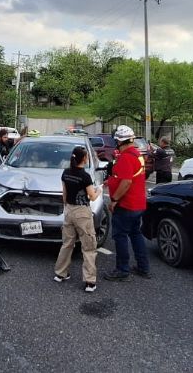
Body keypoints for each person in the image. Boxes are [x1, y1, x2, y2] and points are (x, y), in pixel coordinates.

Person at [103, 125, 151, 281]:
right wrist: (110, 181)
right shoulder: (137, 154)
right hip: (138, 204)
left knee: (120, 236)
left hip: (126, 205)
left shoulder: (126, 157)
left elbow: (126, 182)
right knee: (136, 234)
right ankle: (143, 267)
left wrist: (114, 200)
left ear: (119, 141)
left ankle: (122, 270)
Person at [53, 146, 100, 292]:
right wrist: (100, 190)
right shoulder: (85, 176)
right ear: (84, 158)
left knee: (67, 243)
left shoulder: (66, 173)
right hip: (82, 213)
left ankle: (61, 274)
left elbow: (64, 194)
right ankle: (89, 282)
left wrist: (67, 207)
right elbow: (92, 196)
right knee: (88, 246)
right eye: (86, 156)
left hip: (69, 210)